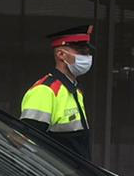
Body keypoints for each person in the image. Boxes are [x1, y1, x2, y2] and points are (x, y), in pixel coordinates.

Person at [18, 24, 94, 160]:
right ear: (61, 54)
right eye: (81, 51)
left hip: (77, 174)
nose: (87, 57)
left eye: (88, 52)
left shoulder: (74, 90)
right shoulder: (44, 91)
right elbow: (24, 143)